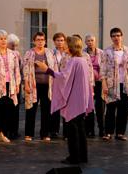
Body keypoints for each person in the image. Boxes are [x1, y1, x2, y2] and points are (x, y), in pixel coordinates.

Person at [36, 36, 94, 165]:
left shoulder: (74, 61)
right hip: (81, 99)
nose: (64, 46)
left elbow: (63, 77)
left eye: (66, 44)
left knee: (73, 130)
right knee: (80, 129)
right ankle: (82, 156)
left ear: (71, 46)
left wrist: (47, 69)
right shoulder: (82, 60)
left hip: (74, 100)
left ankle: (74, 157)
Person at [101, 28, 128, 141]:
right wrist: (104, 84)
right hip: (112, 84)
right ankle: (108, 132)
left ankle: (120, 133)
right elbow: (103, 69)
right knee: (111, 109)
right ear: (111, 38)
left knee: (123, 110)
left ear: (122, 36)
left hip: (125, 84)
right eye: (113, 36)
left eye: (118, 35)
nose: (116, 38)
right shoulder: (107, 51)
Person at [23, 32, 57, 142]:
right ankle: (29, 134)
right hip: (33, 85)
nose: (40, 41)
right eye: (38, 39)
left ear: (45, 41)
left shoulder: (50, 52)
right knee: (31, 109)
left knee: (46, 110)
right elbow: (25, 70)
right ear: (34, 41)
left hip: (47, 85)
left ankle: (45, 134)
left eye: (42, 39)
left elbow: (55, 68)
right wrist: (27, 84)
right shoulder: (29, 53)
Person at [84, 34, 105, 137]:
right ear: (85, 42)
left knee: (100, 107)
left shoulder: (101, 53)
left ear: (95, 42)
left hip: (99, 83)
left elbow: (105, 68)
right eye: (88, 41)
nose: (90, 42)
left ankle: (102, 129)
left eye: (92, 40)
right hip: (88, 83)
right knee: (89, 107)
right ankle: (90, 130)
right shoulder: (83, 53)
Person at [51, 32, 67, 138]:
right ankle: (54, 130)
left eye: (61, 40)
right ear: (54, 42)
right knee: (56, 106)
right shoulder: (51, 53)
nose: (60, 42)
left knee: (66, 107)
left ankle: (66, 132)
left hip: (66, 82)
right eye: (57, 40)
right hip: (55, 81)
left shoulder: (68, 53)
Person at [7, 33, 22, 139]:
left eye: (15, 45)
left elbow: (20, 67)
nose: (14, 47)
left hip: (16, 82)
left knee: (15, 107)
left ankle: (14, 130)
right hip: (6, 82)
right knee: (6, 107)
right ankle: (6, 130)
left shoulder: (17, 54)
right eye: (12, 44)